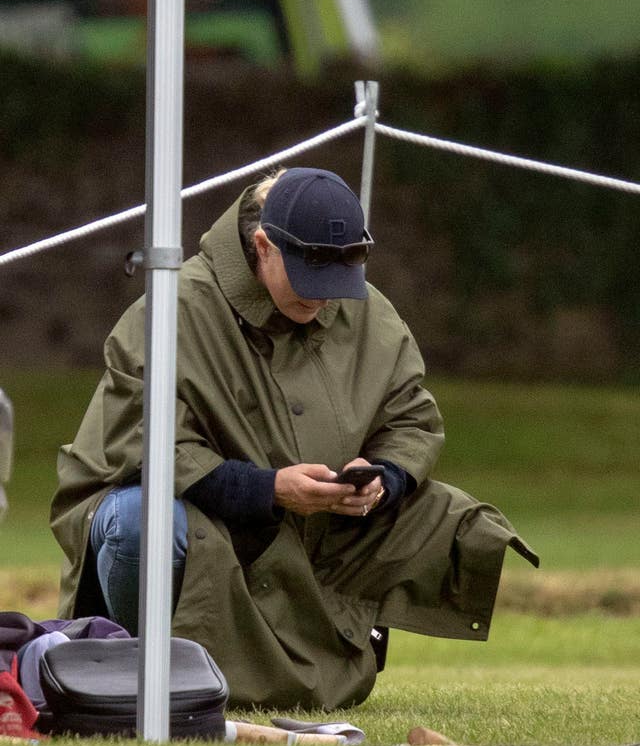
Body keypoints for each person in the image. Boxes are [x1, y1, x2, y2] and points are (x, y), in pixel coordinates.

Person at [50, 167, 538, 710]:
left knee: (443, 510)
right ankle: (139, 679)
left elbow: (412, 418)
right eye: (310, 281)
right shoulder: (172, 309)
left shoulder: (366, 308)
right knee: (138, 522)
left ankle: (338, 648)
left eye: (337, 285)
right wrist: (267, 490)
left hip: (327, 540)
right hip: (214, 532)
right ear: (263, 246)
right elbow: (145, 443)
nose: (323, 301)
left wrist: (384, 480)